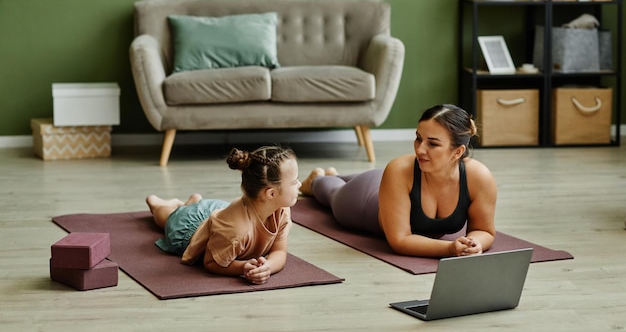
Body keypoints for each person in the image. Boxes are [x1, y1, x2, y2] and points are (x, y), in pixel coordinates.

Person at [300, 104, 497, 258]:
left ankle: (332, 174)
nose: (420, 149)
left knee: (340, 179)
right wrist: (449, 249)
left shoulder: (478, 177)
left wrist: (475, 243)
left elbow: (484, 230)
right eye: (418, 138)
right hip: (365, 198)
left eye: (432, 143)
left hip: (391, 185)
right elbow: (400, 240)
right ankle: (317, 179)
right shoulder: (399, 169)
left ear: (458, 152)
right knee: (332, 192)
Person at [146, 145, 300, 284]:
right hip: (190, 227)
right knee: (168, 218)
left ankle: (193, 202)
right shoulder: (236, 231)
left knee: (201, 210)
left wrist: (268, 267)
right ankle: (158, 204)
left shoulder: (281, 211)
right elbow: (211, 262)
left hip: (220, 212)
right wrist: (242, 267)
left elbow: (279, 251)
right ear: (271, 194)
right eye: (295, 181)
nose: (299, 184)